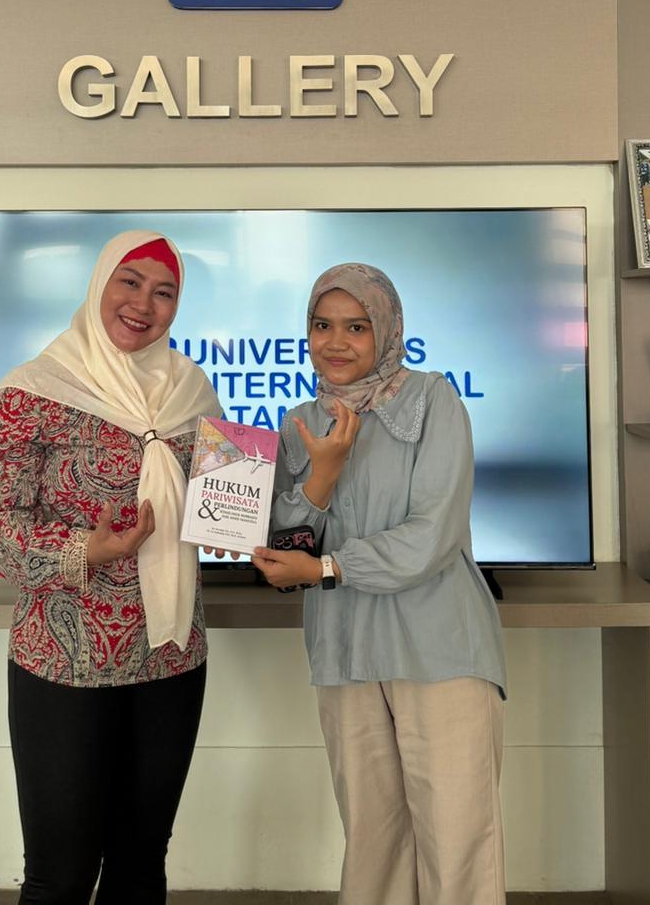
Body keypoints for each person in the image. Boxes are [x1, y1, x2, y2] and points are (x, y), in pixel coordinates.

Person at [0, 230, 221, 905]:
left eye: (164, 292)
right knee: (61, 875)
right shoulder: (31, 392)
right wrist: (85, 550)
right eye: (129, 282)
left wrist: (234, 525)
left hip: (170, 657)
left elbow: (219, 505)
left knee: (140, 867)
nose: (144, 304)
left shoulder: (193, 391)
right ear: (99, 283)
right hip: (63, 663)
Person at [253, 263, 507, 905]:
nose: (335, 342)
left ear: (387, 331)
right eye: (322, 325)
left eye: (356, 327)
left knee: (457, 842)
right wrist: (322, 474)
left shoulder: (432, 399)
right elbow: (284, 543)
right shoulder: (297, 423)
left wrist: (330, 568)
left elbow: (433, 534)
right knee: (373, 841)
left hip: (438, 649)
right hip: (344, 651)